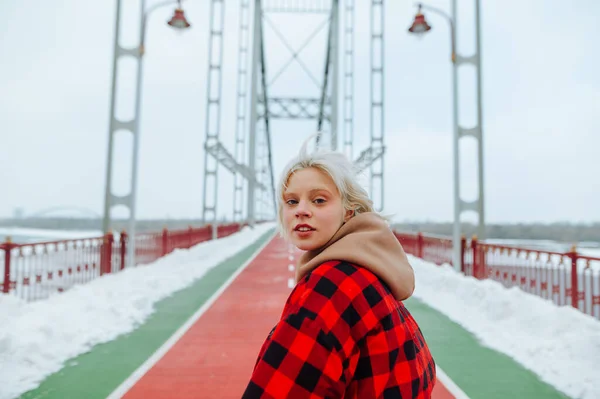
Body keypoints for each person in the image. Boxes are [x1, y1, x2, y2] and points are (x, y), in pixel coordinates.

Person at [242, 136, 436, 398]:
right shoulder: (371, 273)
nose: (301, 210)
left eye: (319, 200)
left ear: (348, 211)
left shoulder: (330, 288)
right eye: (291, 201)